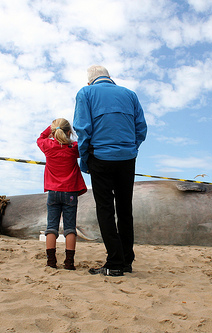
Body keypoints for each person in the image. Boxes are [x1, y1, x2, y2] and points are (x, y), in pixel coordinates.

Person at [73, 65, 147, 277]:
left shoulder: (85, 93)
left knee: (105, 209)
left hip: (100, 157)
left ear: (90, 81)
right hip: (127, 158)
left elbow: (83, 128)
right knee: (125, 210)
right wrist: (131, 148)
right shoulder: (129, 94)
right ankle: (126, 261)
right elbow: (141, 128)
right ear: (109, 78)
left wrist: (86, 159)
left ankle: (114, 262)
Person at [37, 118, 87, 270]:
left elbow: (40, 137)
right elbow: (85, 145)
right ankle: (69, 263)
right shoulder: (73, 147)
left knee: (51, 227)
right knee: (70, 228)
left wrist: (52, 129)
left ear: (53, 132)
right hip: (70, 193)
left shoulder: (48, 146)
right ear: (68, 132)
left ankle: (51, 262)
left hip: (53, 192)